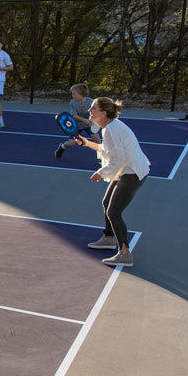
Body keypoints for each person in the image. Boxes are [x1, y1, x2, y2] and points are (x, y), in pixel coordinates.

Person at [75, 97, 151, 267]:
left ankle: (124, 253)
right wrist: (87, 143)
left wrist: (100, 173)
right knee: (107, 202)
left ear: (103, 113)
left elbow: (117, 159)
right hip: (129, 170)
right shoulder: (110, 127)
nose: (89, 111)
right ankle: (109, 239)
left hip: (132, 173)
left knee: (114, 212)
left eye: (93, 108)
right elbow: (107, 150)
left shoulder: (110, 130)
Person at [55, 83, 100, 158]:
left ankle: (100, 157)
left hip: (88, 125)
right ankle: (62, 146)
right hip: (75, 125)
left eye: (74, 93)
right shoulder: (73, 102)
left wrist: (93, 121)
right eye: (72, 93)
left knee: (97, 140)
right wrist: (85, 120)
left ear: (81, 94)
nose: (72, 95)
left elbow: (96, 113)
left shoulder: (91, 102)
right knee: (71, 143)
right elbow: (74, 116)